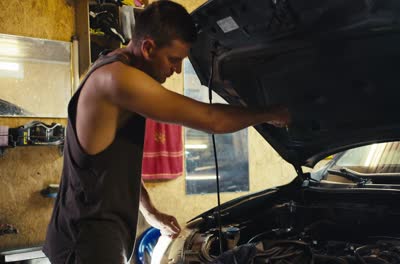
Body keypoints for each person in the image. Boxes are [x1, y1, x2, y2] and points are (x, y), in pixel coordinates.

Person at [43, 1, 289, 263]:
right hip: (86, 243)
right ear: (148, 47)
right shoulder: (117, 80)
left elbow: (111, 165)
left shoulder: (113, 67)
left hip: (91, 235)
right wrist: (272, 113)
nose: (177, 70)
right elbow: (212, 119)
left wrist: (150, 211)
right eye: (174, 60)